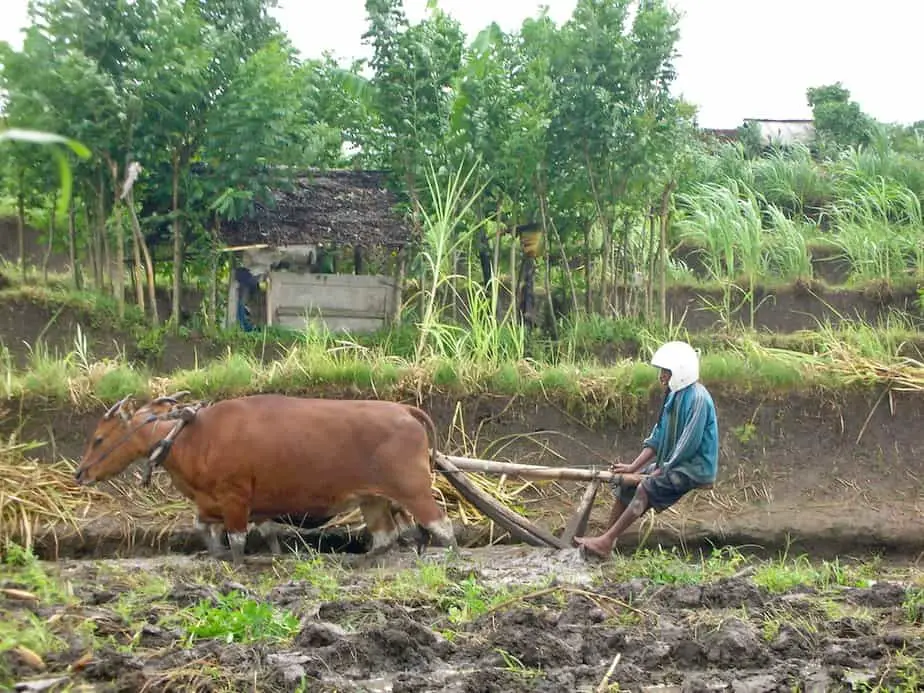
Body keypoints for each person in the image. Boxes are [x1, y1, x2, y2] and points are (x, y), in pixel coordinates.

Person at [574, 340, 719, 559]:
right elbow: (659, 436)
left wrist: (664, 469)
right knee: (625, 486)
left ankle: (604, 542)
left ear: (681, 372)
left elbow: (688, 443)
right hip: (675, 464)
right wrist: (634, 467)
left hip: (694, 468)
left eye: (666, 372)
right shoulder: (673, 395)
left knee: (646, 487)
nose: (661, 376)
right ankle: (607, 542)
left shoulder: (698, 399)